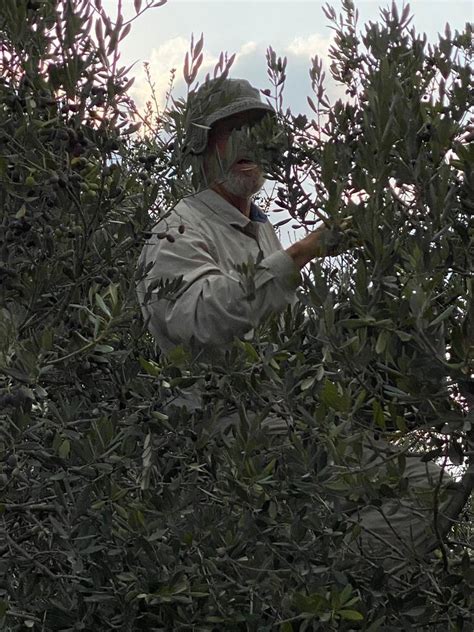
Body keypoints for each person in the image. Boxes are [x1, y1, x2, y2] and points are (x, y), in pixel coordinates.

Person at [136, 77, 453, 572]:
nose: (246, 143)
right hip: (218, 443)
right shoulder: (179, 228)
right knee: (415, 490)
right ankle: (324, 589)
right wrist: (301, 254)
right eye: (231, 130)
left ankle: (329, 587)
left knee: (431, 486)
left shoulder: (259, 229)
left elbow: (284, 340)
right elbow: (197, 317)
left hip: (285, 427)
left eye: (255, 130)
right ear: (202, 144)